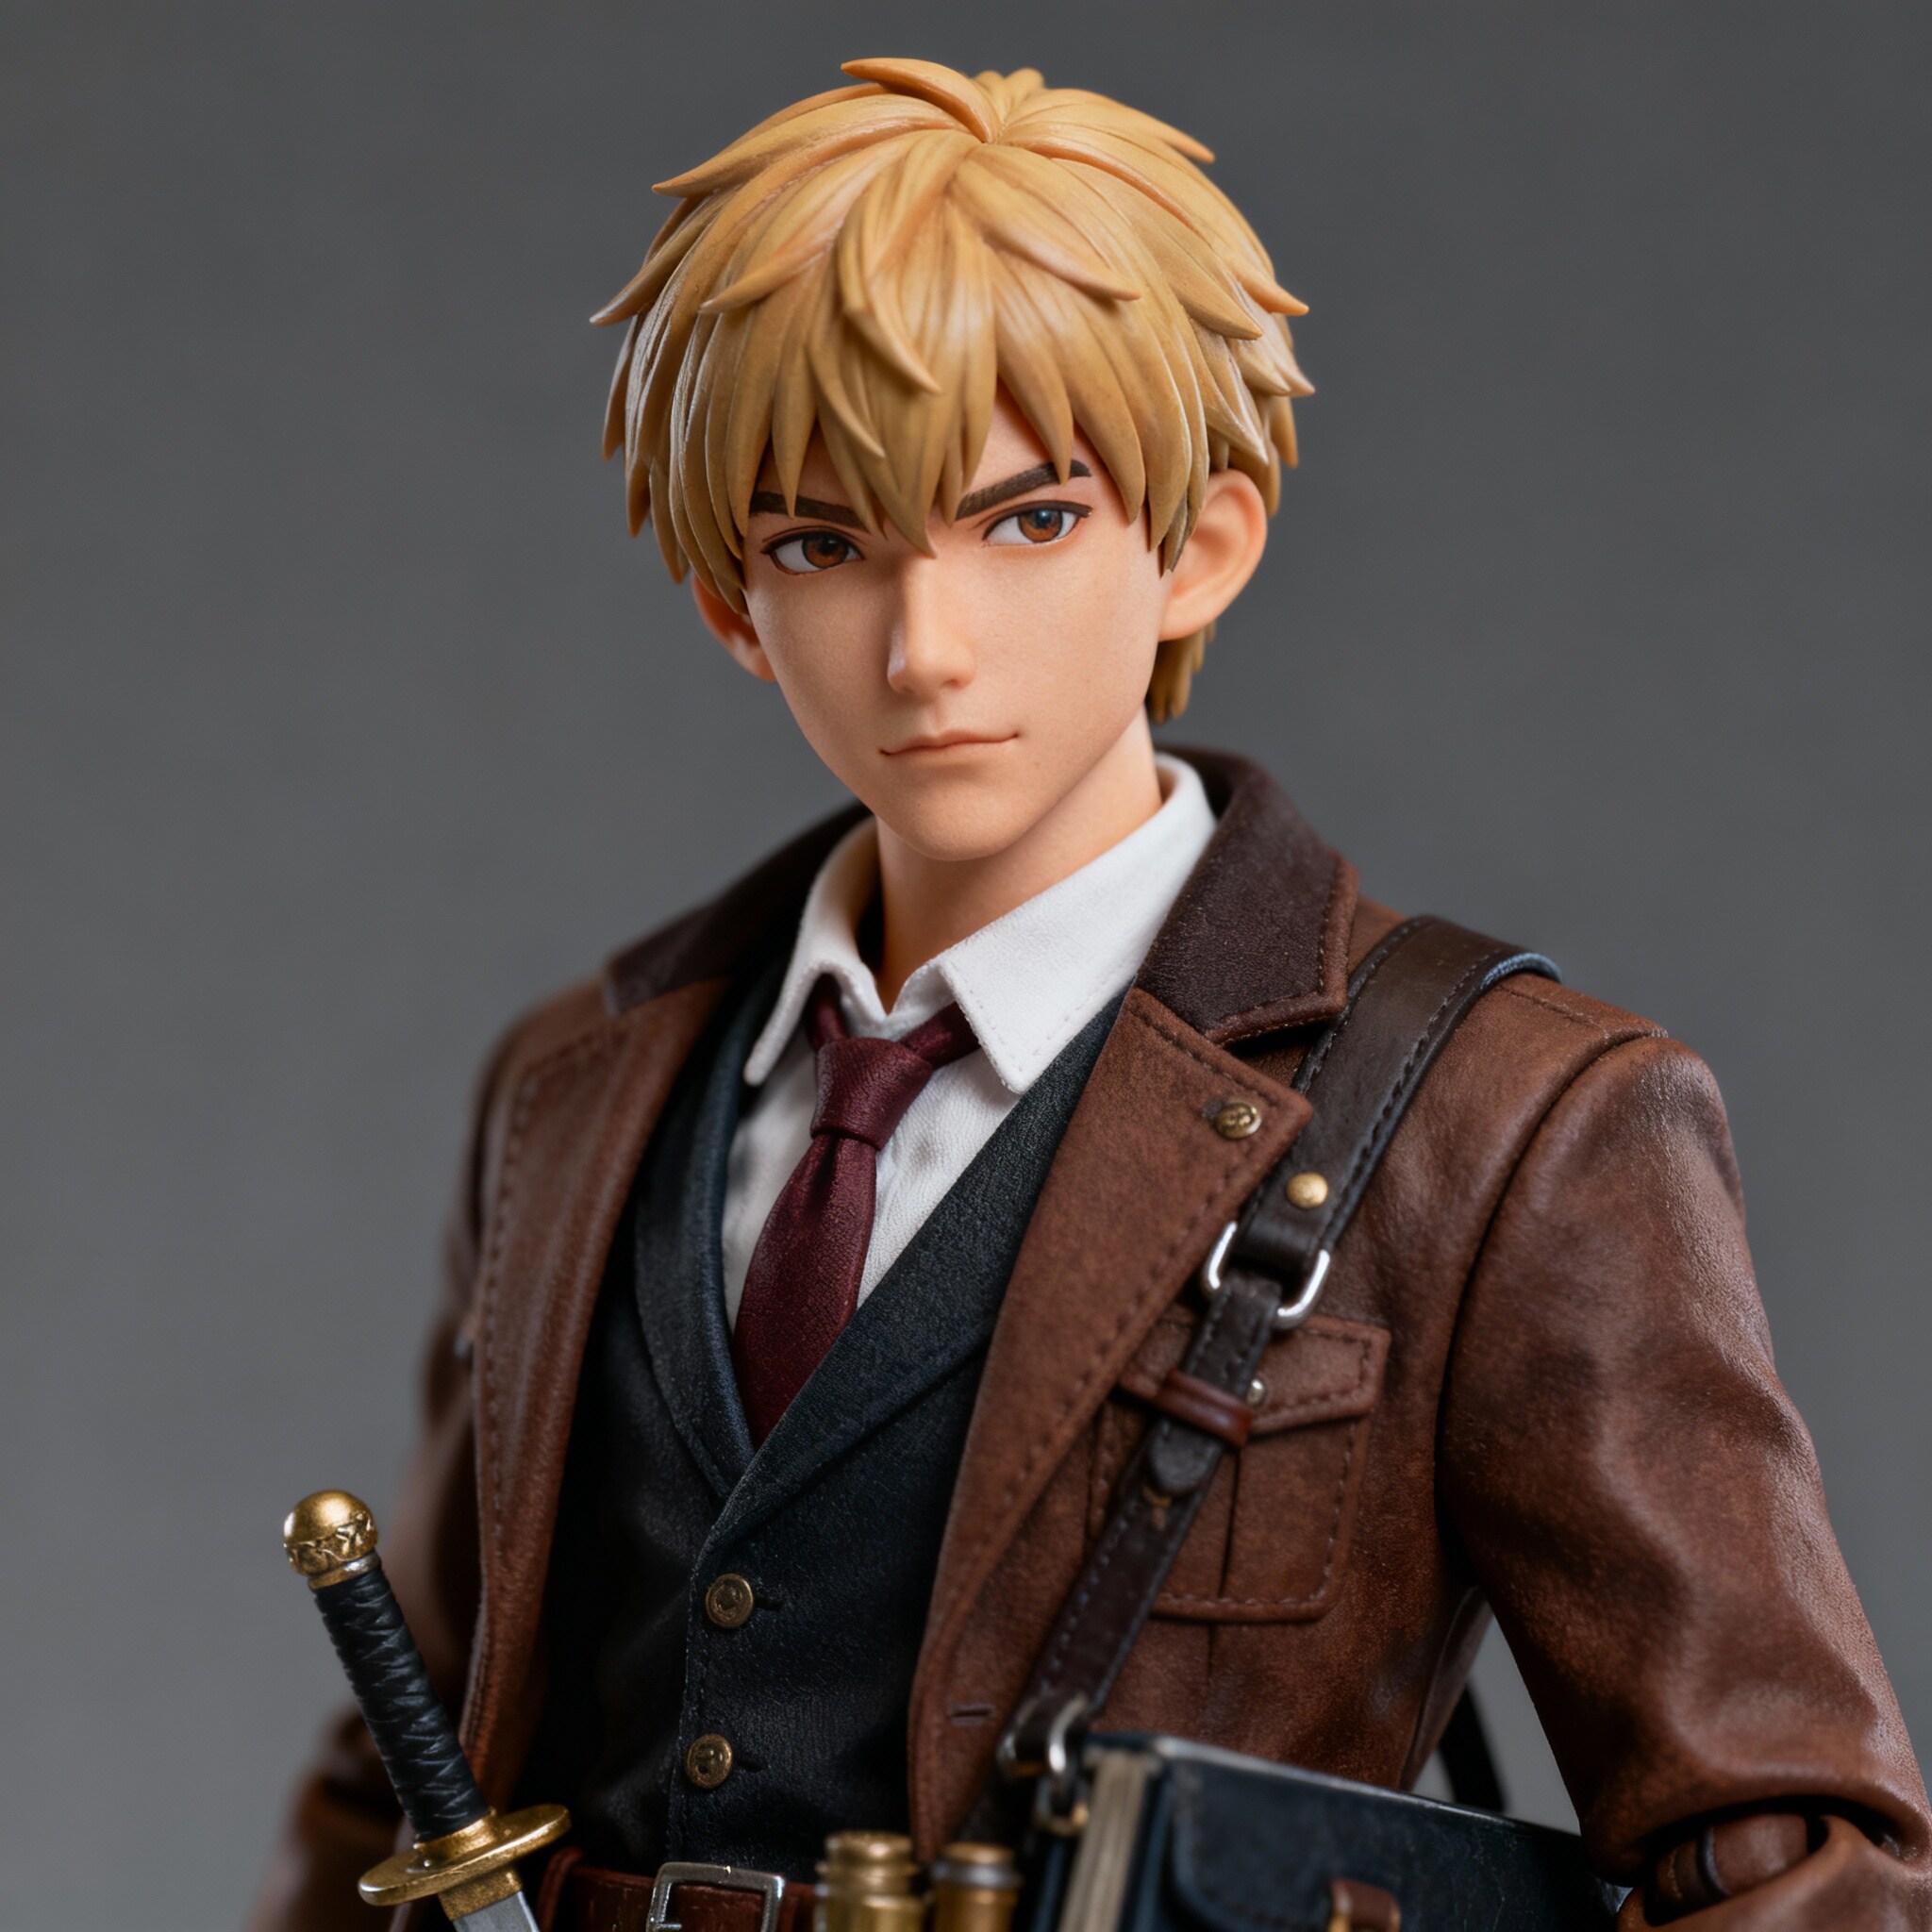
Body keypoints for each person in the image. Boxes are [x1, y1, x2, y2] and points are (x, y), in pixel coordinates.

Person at [248, 58, 1930, 1932]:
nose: (925, 646)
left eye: (1027, 521)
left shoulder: (1507, 1124)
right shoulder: (582, 1087)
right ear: (734, 601)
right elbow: (405, 1770)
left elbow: (1798, 1866)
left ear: (1200, 542)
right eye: (822, 545)